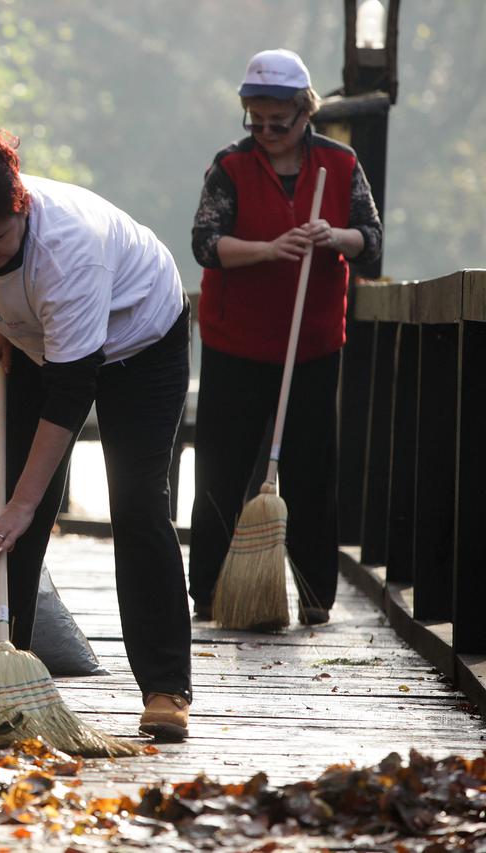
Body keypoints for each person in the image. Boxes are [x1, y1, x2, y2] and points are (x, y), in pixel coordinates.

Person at [0, 126, 194, 741]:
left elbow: (72, 393)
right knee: (15, 517)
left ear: (23, 211)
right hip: (39, 342)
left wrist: (20, 504)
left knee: (137, 501)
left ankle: (165, 687)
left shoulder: (69, 251)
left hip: (141, 337)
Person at [188, 49, 382, 627]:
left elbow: (370, 243)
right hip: (236, 341)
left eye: (280, 122)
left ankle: (316, 596)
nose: (267, 132)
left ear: (306, 112)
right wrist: (269, 250)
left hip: (314, 341)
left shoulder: (340, 165)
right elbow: (205, 243)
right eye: (256, 120)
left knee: (312, 468)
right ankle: (209, 592)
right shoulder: (230, 166)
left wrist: (335, 236)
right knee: (222, 466)